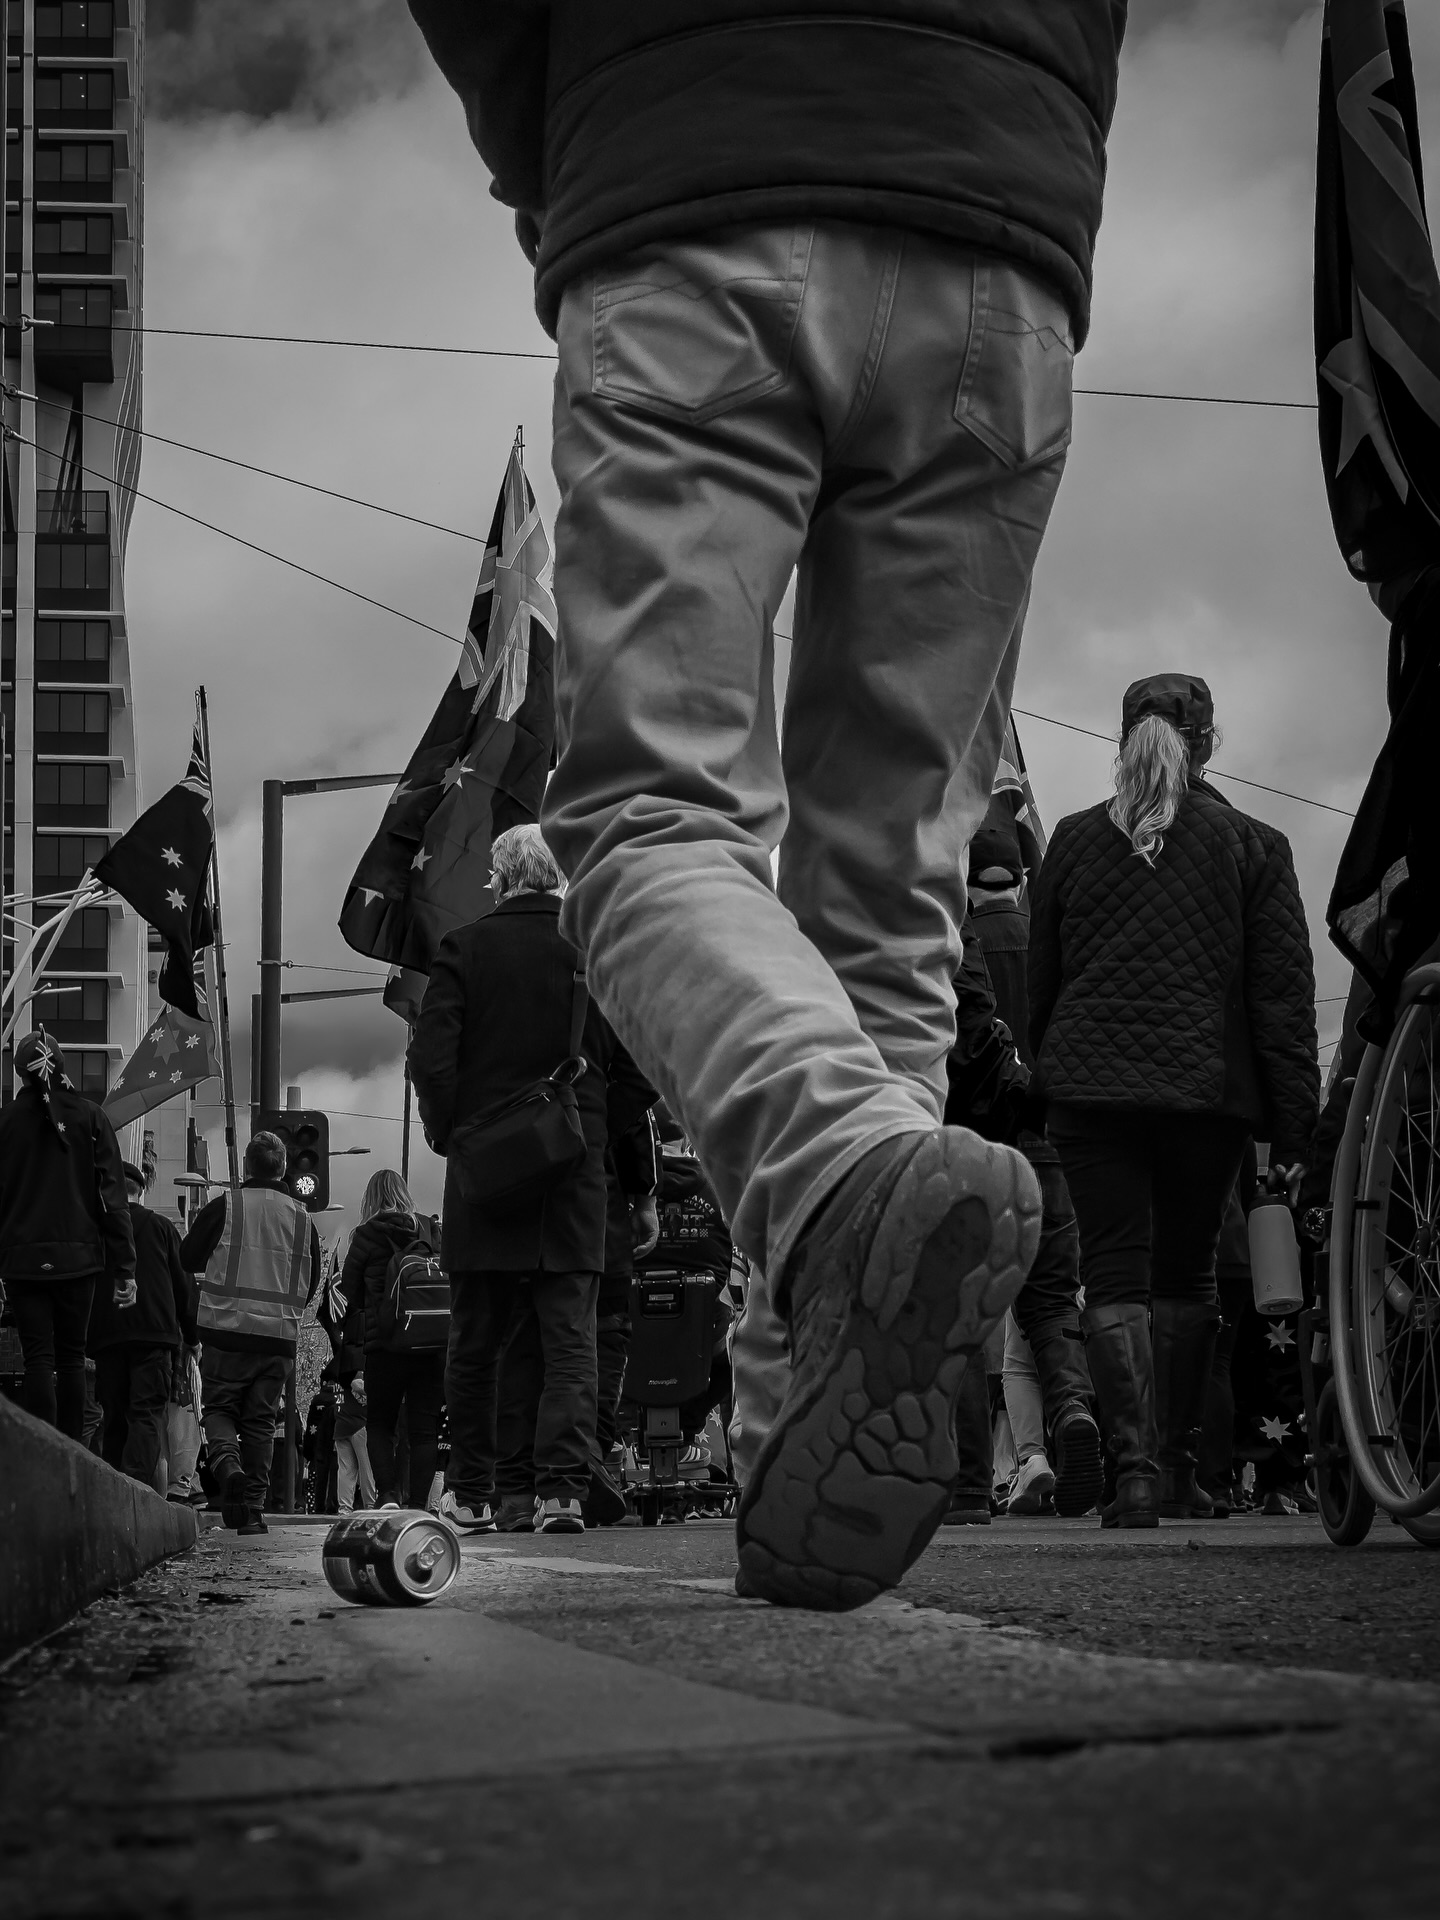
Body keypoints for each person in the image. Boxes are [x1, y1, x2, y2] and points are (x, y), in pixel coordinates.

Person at [408, 1, 1126, 1610]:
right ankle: (788, 1446)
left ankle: (835, 1178)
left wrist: (561, 145)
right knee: (890, 890)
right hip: (1001, 212)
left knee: (650, 823)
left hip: (692, 155)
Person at [1029, 675, 1320, 1529]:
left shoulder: (1077, 842)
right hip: (1206, 1093)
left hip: (1090, 1092)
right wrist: (1293, 1124)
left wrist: (1055, 1071)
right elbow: (1281, 999)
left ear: (1122, 742)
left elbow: (1041, 987)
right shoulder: (1253, 844)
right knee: (1189, 1276)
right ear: (1208, 744)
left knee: (1111, 1272)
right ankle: (1181, 1466)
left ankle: (1134, 1478)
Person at [410, 824, 654, 1535]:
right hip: (573, 1174)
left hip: (485, 1170)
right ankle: (560, 1494)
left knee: (479, 1337)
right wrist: (591, 1124)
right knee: (569, 1333)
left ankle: (475, 1492)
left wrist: (453, 1132)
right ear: (563, 875)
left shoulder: (464, 949)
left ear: (499, 876)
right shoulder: (596, 953)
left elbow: (432, 1060)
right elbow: (641, 1072)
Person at [179, 1130, 323, 1536]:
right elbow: (310, 1281)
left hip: (225, 1332)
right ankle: (254, 1509)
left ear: (246, 1166)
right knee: (261, 1421)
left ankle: (228, 1468)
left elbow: (187, 1257)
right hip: (277, 1339)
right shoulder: (302, 1218)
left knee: (220, 1410)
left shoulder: (227, 1206)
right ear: (283, 1169)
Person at [0, 1031, 135, 1438]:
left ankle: (44, 1448)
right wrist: (125, 1266)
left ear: (20, 1072)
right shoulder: (91, 1118)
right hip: (80, 1259)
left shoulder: (4, 1123)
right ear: (62, 1067)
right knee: (72, 1358)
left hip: (21, 1259)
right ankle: (74, 1450)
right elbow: (113, 1198)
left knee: (37, 1358)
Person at [87, 1161, 197, 1493]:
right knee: (146, 1414)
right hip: (153, 1337)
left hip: (107, 1336)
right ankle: (134, 1489)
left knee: (114, 1415)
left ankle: (111, 1488)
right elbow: (183, 1288)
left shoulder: (96, 1230)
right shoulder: (162, 1228)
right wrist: (192, 1337)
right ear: (141, 1192)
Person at [339, 1169, 442, 1510]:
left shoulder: (365, 1235)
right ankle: (418, 1504)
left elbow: (350, 1291)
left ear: (370, 1198)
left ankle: (387, 1496)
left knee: (380, 1424)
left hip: (383, 1345)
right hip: (428, 1343)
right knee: (424, 1429)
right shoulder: (429, 1228)